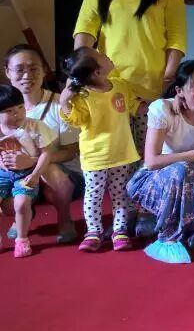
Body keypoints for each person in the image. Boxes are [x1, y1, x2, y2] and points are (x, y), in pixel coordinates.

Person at [73, 0, 187, 153]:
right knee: (114, 156)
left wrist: (167, 80)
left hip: (151, 90)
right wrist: (80, 71)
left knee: (148, 158)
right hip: (107, 87)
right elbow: (85, 31)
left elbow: (176, 40)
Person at [127, 61, 194, 264]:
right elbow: (152, 161)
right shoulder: (163, 109)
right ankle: (167, 237)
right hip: (155, 180)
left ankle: (153, 221)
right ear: (179, 91)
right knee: (181, 169)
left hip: (192, 183)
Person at [60, 48, 142, 252]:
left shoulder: (121, 85)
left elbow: (134, 106)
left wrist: (157, 107)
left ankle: (120, 230)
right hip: (95, 156)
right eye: (102, 57)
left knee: (120, 193)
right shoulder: (84, 95)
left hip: (121, 153)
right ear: (97, 72)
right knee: (94, 195)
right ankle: (93, 232)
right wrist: (64, 101)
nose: (107, 56)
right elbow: (76, 120)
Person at [2, 44, 82, 243]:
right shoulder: (1, 108)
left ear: (44, 70)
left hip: (64, 175)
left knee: (50, 170)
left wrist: (32, 161)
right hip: (21, 174)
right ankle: (23, 213)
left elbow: (71, 151)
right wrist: (4, 162)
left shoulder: (60, 105)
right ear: (7, 72)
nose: (27, 75)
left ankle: (65, 219)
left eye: (33, 68)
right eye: (19, 69)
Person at [0, 85, 55, 259]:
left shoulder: (34, 126)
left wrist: (35, 174)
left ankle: (22, 240)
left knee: (21, 202)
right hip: (1, 173)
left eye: (20, 107)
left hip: (26, 173)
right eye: (9, 111)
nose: (17, 114)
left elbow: (46, 152)